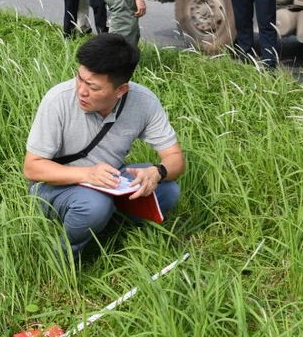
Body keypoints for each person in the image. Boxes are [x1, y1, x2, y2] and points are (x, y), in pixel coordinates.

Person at [24, 33, 185, 263]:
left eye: (93, 86)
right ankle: (62, 256)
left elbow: (175, 159)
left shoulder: (144, 102)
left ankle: (109, 226)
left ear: (121, 90)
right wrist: (87, 174)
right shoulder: (58, 100)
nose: (81, 90)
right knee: (95, 206)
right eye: (80, 78)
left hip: (108, 181)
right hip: (55, 186)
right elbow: (32, 169)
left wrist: (157, 172)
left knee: (168, 191)